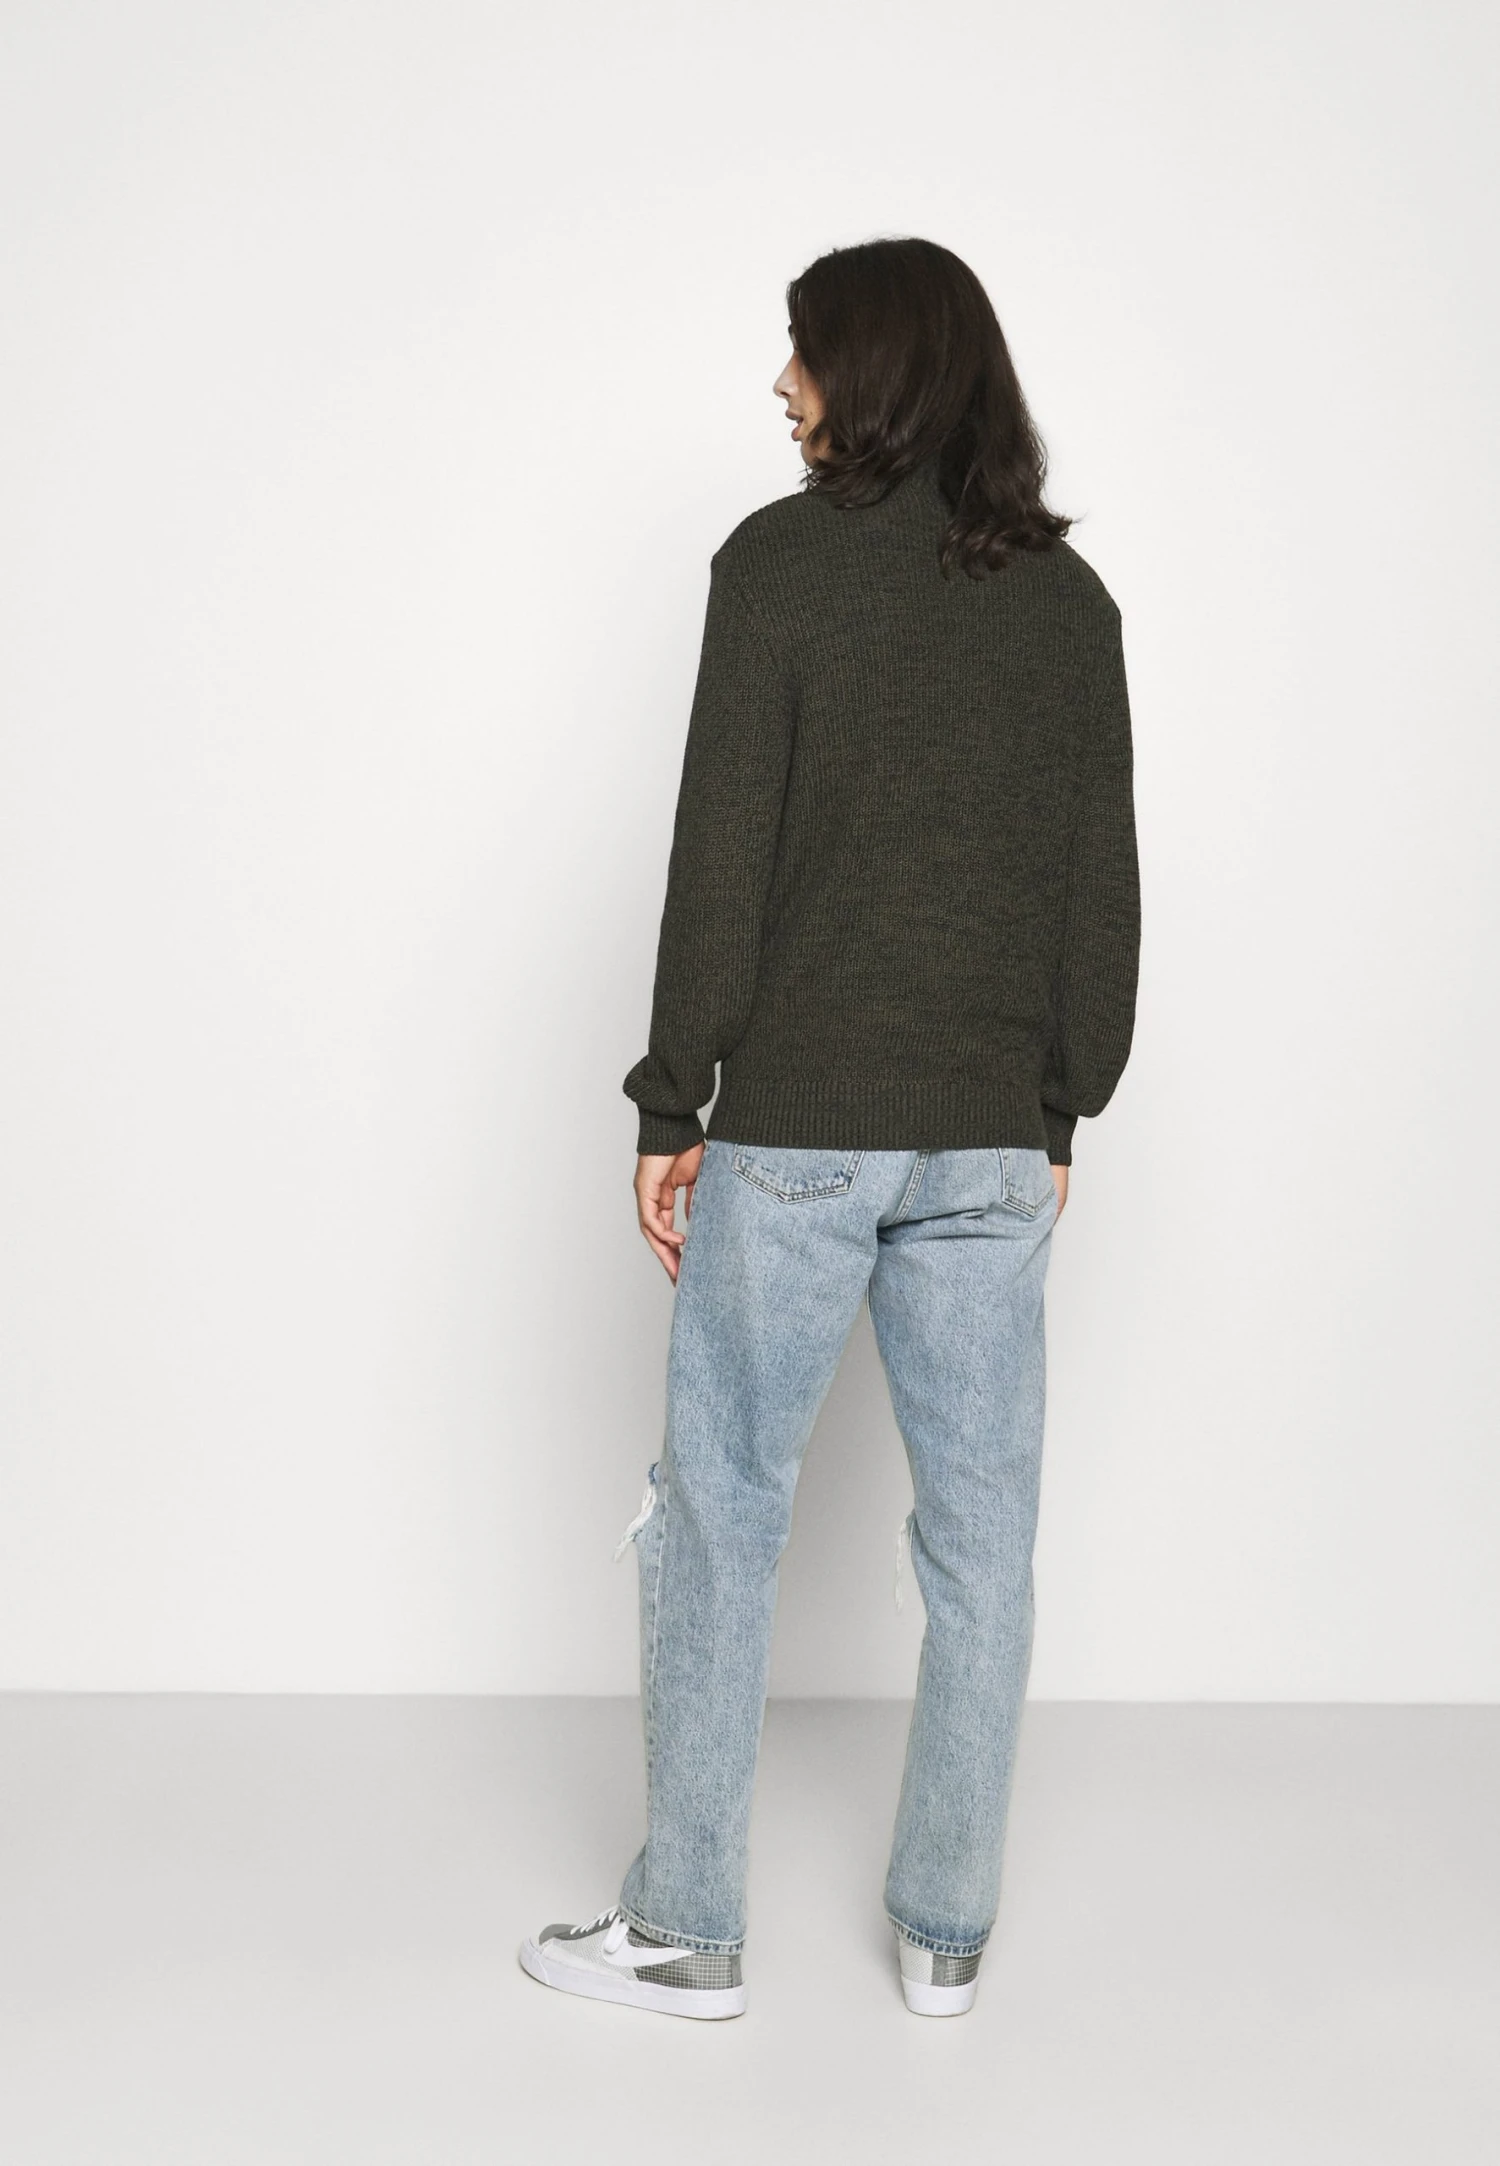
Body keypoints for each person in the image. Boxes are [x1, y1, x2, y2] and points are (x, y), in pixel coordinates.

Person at [520, 235, 1141, 2021]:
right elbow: (1099, 891)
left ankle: (686, 1927)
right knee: (984, 1544)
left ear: (871, 373)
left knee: (721, 1508)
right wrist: (1058, 1108)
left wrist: (671, 1095)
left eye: (800, 355)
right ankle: (947, 1935)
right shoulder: (1072, 606)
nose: (782, 387)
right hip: (989, 1146)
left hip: (794, 1132)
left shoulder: (781, 567)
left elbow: (719, 855)